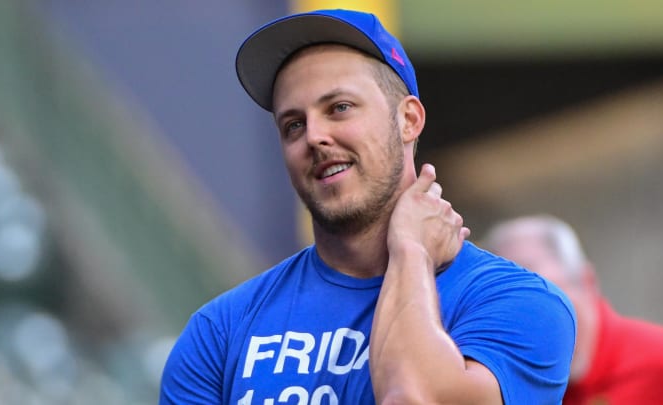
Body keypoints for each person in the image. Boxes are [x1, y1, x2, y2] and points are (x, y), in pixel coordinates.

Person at [160, 9, 576, 404]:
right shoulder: (220, 331)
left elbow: (414, 399)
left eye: (339, 108)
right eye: (293, 125)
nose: (315, 137)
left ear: (409, 120)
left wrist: (411, 252)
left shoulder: (516, 303)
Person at [482, 214, 663, 404]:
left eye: (552, 305)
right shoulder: (509, 390)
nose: (542, 328)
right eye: (517, 316)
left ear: (587, 281)